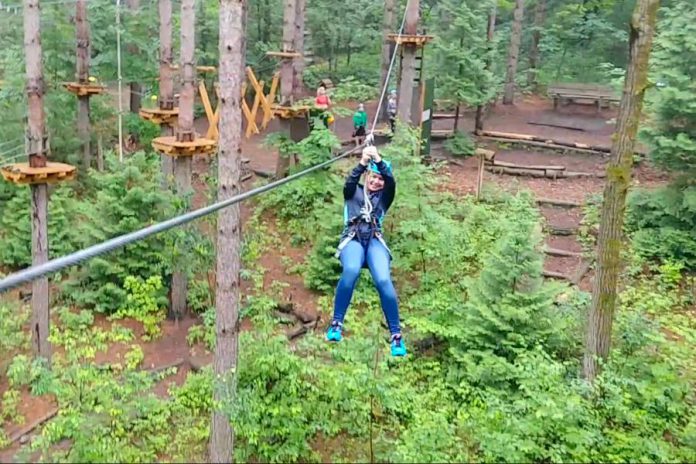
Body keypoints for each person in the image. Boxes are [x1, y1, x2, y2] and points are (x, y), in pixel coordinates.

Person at [326, 145, 406, 357]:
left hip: (373, 239)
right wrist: (362, 163)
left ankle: (396, 335)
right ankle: (336, 323)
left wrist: (378, 159)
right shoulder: (354, 191)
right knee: (351, 270)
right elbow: (350, 182)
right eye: (373, 177)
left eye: (380, 179)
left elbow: (391, 182)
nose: (376, 181)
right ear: (368, 176)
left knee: (383, 280)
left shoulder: (384, 197)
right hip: (352, 238)